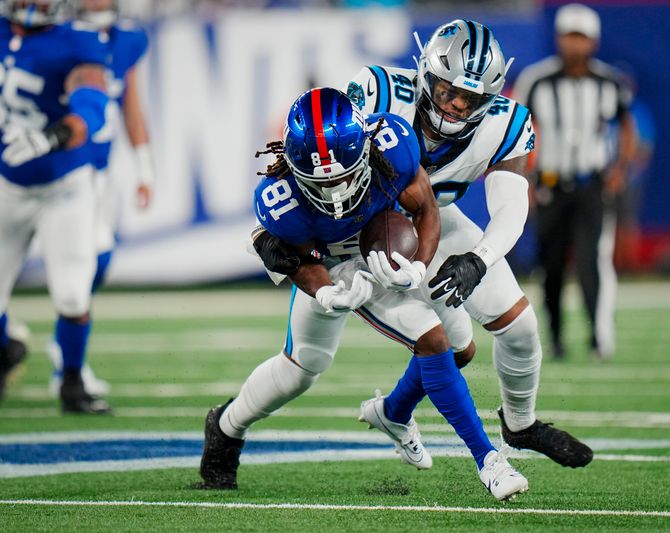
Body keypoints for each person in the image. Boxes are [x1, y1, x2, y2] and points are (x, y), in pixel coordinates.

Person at [199, 87, 529, 501]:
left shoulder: (393, 145)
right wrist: (324, 293)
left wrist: (418, 267)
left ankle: (456, 444)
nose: (336, 193)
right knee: (302, 368)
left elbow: (427, 208)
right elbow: (299, 261)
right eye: (323, 183)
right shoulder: (280, 200)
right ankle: (226, 427)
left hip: (385, 255)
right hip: (333, 266)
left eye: (343, 176)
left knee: (450, 343)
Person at [347, 19, 593, 467]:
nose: (458, 105)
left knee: (519, 327)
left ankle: (520, 425)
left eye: (472, 98)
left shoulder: (506, 123)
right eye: (448, 92)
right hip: (366, 229)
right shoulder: (379, 93)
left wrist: (477, 261)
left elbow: (512, 207)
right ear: (427, 75)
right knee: (448, 346)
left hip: (438, 222)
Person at [0, 0, 111, 413]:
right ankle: (6, 352)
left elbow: (93, 105)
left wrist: (51, 137)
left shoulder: (77, 41)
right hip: (7, 184)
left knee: (70, 293)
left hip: (62, 185)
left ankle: (71, 381)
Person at [44, 0, 154, 398]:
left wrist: (145, 167)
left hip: (98, 173)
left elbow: (131, 106)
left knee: (97, 260)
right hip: (55, 169)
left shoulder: (126, 38)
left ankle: (64, 351)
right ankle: (54, 356)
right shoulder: (55, 34)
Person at [513, 3, 636, 359]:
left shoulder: (609, 82)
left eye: (581, 37)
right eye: (569, 36)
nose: (574, 44)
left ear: (593, 42)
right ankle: (554, 337)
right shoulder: (536, 80)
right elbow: (518, 130)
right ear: (558, 38)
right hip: (550, 183)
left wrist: (619, 170)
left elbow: (628, 127)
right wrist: (524, 180)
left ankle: (598, 337)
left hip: (591, 185)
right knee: (549, 264)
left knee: (590, 262)